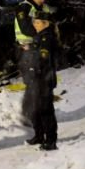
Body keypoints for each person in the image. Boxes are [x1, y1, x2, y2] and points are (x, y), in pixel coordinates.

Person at [15, 0, 58, 120]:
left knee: (46, 82)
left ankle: (40, 113)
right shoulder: (24, 8)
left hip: (39, 49)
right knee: (32, 84)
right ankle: (29, 115)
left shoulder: (43, 6)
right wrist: (42, 36)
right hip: (27, 49)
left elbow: (52, 18)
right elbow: (26, 28)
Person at [22, 9, 59, 151]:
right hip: (36, 79)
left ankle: (50, 140)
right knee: (33, 108)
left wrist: (33, 66)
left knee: (45, 110)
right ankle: (39, 135)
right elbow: (38, 50)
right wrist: (30, 47)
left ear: (46, 23)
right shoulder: (40, 36)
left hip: (44, 79)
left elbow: (44, 58)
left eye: (38, 22)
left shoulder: (47, 38)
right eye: (34, 22)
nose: (35, 25)